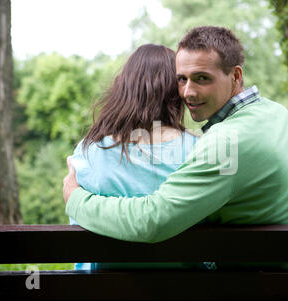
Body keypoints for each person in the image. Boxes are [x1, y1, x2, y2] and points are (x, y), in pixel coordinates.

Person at [63, 26, 288, 270]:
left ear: (235, 76)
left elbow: (153, 221)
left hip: (270, 286)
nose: (188, 92)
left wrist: (76, 199)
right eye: (182, 79)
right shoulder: (274, 113)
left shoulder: (226, 143)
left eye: (202, 78)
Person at [68, 43, 203, 270]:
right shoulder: (201, 149)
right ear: (175, 94)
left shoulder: (90, 152)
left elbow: (79, 228)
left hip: (103, 291)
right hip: (184, 291)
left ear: (124, 89)